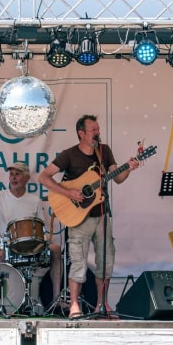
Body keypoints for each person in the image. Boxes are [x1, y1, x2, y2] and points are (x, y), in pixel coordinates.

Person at [39, 114, 140, 318]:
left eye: (98, 129)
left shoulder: (104, 151)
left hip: (102, 215)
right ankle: (74, 305)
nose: (97, 132)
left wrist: (129, 168)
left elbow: (118, 178)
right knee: (78, 262)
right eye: (93, 129)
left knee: (106, 261)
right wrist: (68, 193)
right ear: (81, 133)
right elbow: (43, 177)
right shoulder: (69, 155)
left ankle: (101, 305)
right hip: (78, 218)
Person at [0, 161, 63, 314]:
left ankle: (56, 299)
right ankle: (2, 303)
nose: (13, 177)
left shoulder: (35, 200)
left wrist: (45, 240)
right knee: (1, 254)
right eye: (11, 174)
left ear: (26, 177)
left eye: (17, 174)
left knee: (56, 249)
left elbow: (41, 228)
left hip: (30, 245)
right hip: (4, 246)